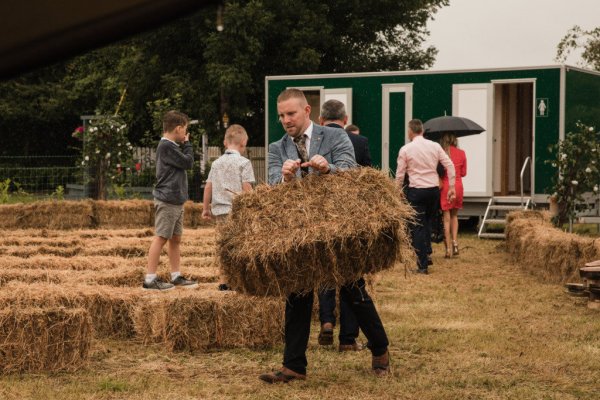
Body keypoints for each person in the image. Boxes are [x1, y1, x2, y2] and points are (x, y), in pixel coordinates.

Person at [259, 89, 390, 384]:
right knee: (297, 295)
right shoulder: (276, 147)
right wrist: (285, 179)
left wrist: (328, 168)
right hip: (299, 232)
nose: (285, 120)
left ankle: (380, 350)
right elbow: (269, 190)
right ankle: (293, 366)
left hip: (336, 229)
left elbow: (353, 173)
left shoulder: (334, 137)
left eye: (290, 114)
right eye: (281, 115)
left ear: (307, 111)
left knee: (353, 290)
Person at [316, 99, 362, 352]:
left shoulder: (316, 141)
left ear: (321, 121)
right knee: (351, 275)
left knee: (325, 270)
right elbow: (366, 180)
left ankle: (326, 321)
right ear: (345, 120)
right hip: (350, 216)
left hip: (323, 215)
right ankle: (348, 338)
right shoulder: (360, 142)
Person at [144, 110, 198, 291]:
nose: (185, 134)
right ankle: (150, 279)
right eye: (185, 130)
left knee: (175, 239)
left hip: (175, 200)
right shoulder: (167, 146)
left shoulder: (170, 146)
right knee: (161, 238)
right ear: (178, 128)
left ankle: (175, 275)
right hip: (167, 199)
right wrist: (188, 144)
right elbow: (188, 162)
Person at [395, 119, 456, 275]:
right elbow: (449, 164)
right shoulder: (435, 146)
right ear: (422, 130)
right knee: (429, 223)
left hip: (416, 190)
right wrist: (452, 186)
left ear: (410, 131)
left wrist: (397, 191)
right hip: (433, 190)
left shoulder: (406, 149)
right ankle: (427, 253)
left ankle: (422, 264)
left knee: (417, 227)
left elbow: (400, 174)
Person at [202, 124, 255, 290]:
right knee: (240, 245)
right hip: (238, 212)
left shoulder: (216, 163)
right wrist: (253, 207)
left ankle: (224, 281)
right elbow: (247, 188)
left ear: (225, 142)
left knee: (224, 246)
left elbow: (208, 186)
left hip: (221, 213)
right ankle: (239, 280)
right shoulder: (244, 162)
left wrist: (205, 208)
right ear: (244, 142)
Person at [439, 133, 467, 258]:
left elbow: (439, 171)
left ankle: (448, 249)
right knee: (455, 216)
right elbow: (464, 173)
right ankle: (455, 243)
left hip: (446, 186)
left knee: (446, 218)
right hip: (458, 186)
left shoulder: (442, 153)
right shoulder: (462, 153)